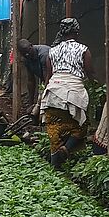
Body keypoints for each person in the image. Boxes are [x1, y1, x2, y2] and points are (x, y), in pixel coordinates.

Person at [40, 17, 93, 166]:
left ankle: (56, 164)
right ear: (76, 32)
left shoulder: (52, 51)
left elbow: (48, 76)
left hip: (53, 93)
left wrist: (41, 98)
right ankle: (67, 148)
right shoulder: (84, 50)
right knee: (80, 127)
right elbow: (90, 73)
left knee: (54, 129)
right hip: (73, 95)